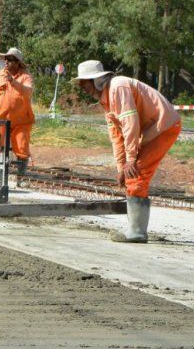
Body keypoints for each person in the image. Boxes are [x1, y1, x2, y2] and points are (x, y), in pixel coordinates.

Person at [73, 60, 181, 243]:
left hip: (164, 127)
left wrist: (130, 160)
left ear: (97, 81)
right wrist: (121, 167)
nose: (82, 87)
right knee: (131, 173)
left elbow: (130, 124)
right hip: (151, 130)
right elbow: (116, 136)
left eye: (84, 82)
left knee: (137, 174)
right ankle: (136, 228)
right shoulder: (106, 99)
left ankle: (137, 232)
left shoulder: (118, 87)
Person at [0, 47, 35, 171]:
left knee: (22, 149)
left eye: (10, 59)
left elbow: (28, 91)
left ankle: (21, 176)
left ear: (17, 63)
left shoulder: (26, 77)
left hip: (22, 122)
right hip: (2, 121)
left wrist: (13, 81)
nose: (6, 62)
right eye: (6, 59)